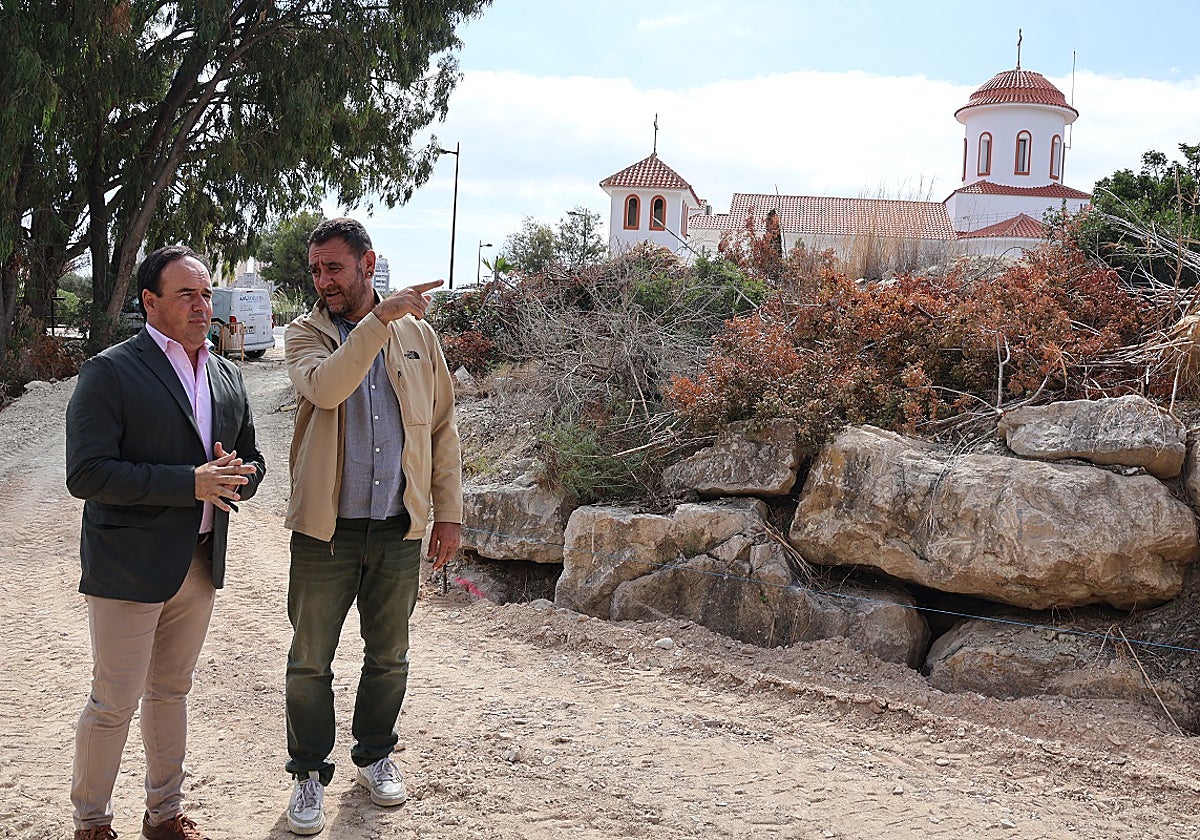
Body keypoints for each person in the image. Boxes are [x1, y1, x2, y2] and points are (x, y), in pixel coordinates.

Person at [65, 246, 265, 840]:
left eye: (206, 294)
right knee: (113, 701)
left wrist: (238, 475)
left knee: (172, 691)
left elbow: (252, 457)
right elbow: (88, 474)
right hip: (129, 566)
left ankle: (164, 814)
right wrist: (190, 483)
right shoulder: (111, 371)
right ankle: (92, 823)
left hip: (199, 564)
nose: (202, 305)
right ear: (150, 301)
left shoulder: (228, 375)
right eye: (187, 294)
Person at [282, 218, 462, 835]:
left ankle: (375, 756)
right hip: (324, 533)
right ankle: (308, 771)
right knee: (310, 659)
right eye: (315, 269)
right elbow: (329, 389)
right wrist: (376, 321)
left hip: (396, 530)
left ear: (366, 264)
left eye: (333, 267)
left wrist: (449, 515)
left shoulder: (418, 336)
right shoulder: (304, 335)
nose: (322, 280)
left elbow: (442, 430)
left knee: (389, 657)